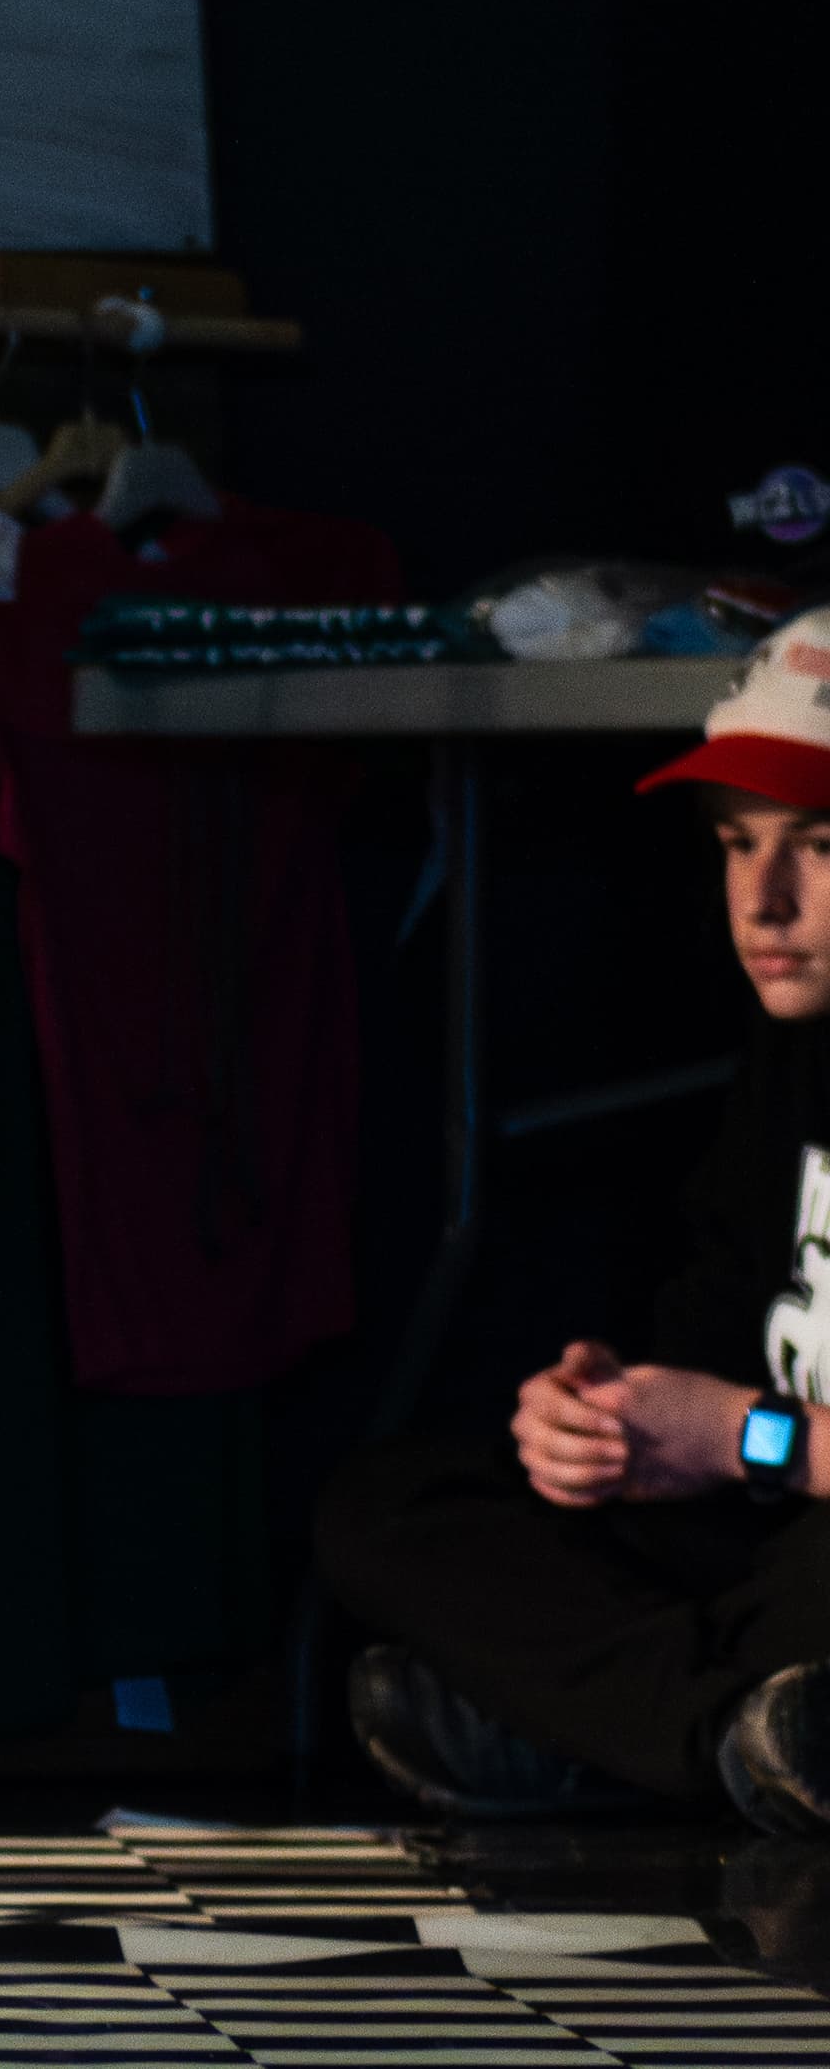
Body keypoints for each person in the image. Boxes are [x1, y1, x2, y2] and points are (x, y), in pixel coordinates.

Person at [320, 609, 830, 1832]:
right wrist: (606, 1419)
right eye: (737, 843)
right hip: (767, 1528)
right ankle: (739, 1736)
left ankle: (593, 1727)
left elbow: (746, 1432)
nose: (763, 902)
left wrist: (745, 1437)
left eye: (818, 846)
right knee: (390, 1507)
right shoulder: (793, 1044)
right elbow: (716, 1331)